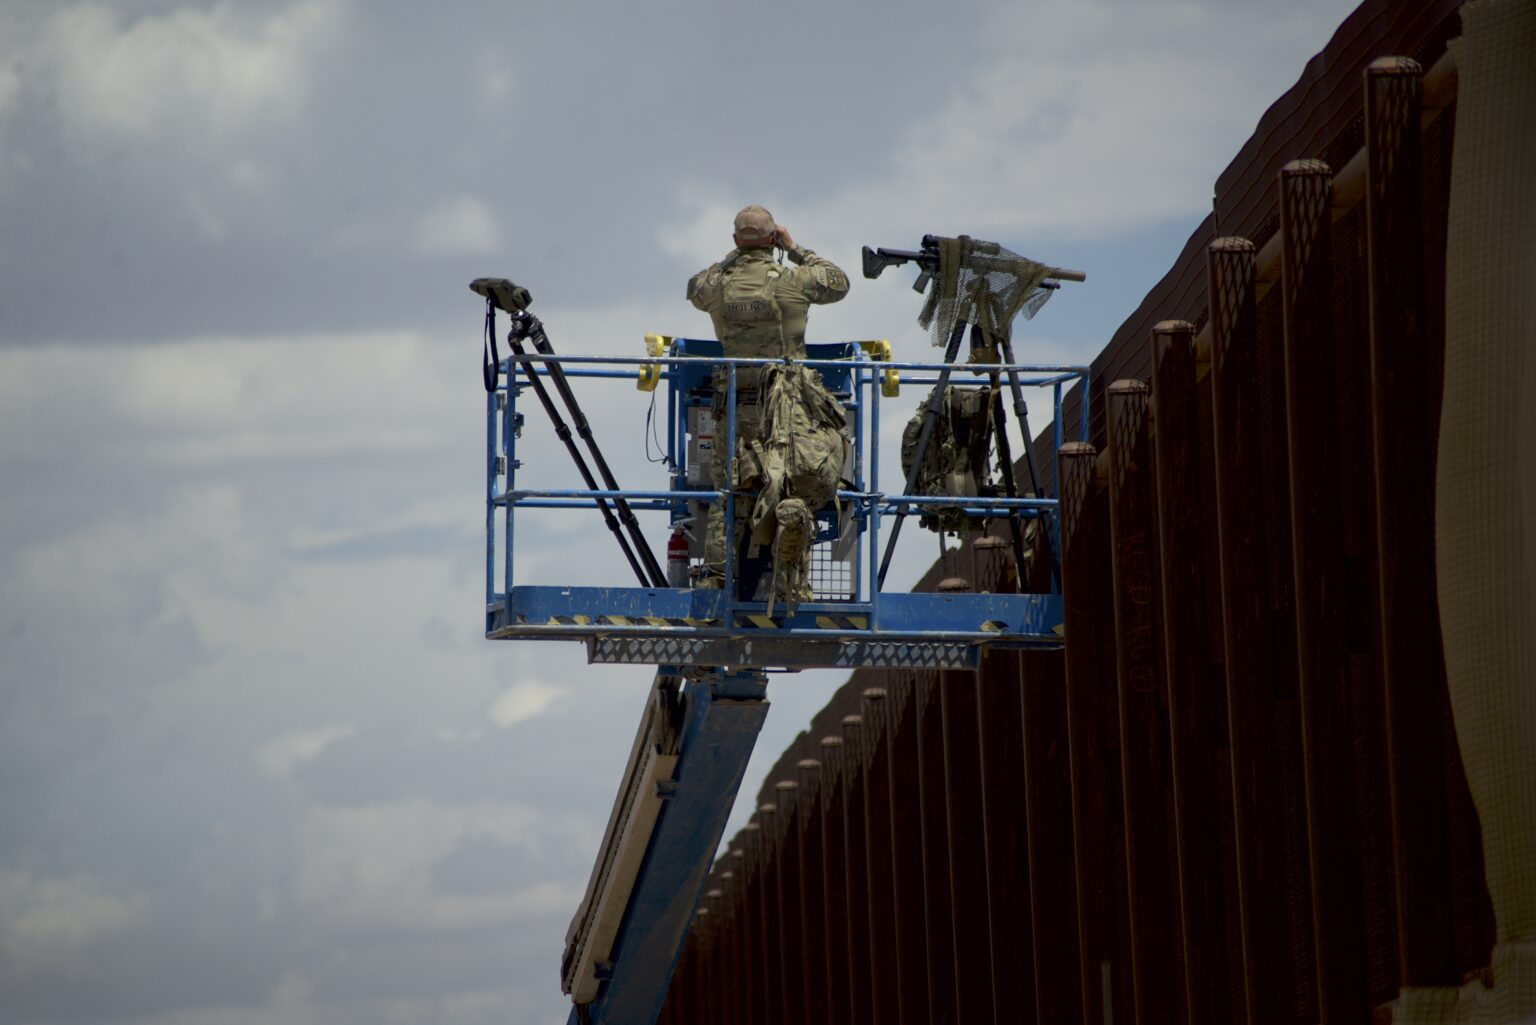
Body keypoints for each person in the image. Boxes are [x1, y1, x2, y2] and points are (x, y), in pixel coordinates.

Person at [686, 205, 850, 604]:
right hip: (788, 407)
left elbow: (694, 286)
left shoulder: (717, 286)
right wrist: (795, 249)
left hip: (734, 410)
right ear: (773, 238)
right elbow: (839, 282)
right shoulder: (793, 280)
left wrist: (734, 258)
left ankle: (714, 579)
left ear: (735, 240)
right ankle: (790, 569)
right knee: (792, 483)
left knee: (732, 493)